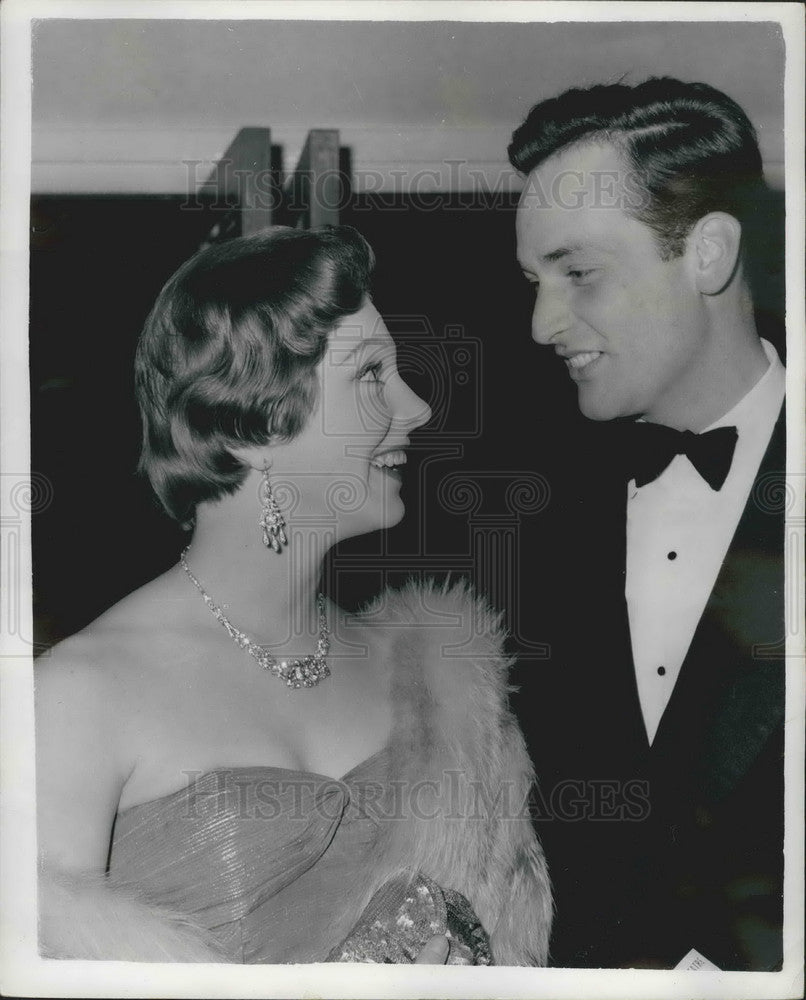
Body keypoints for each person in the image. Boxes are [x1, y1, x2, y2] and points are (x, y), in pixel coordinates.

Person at [35, 226, 552, 965]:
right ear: (254, 420)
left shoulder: (442, 681)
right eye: (373, 376)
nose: (417, 410)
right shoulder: (79, 696)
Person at [508, 78, 785, 970]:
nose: (544, 322)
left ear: (707, 254)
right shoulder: (527, 517)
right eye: (534, 282)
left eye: (578, 273)